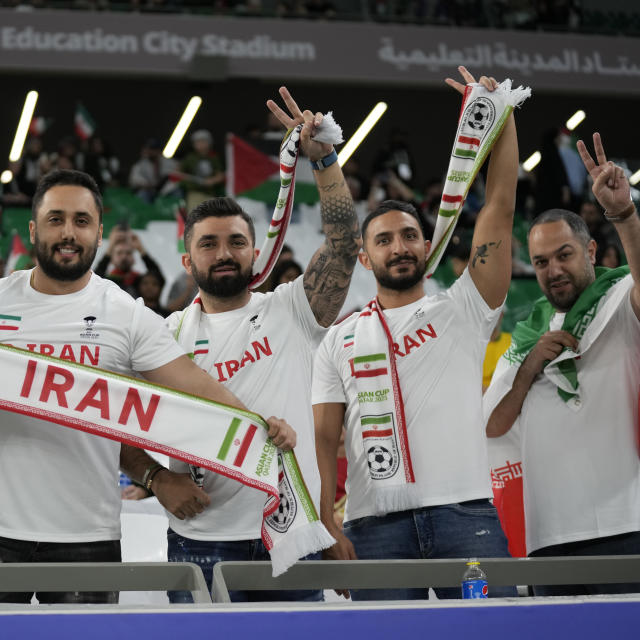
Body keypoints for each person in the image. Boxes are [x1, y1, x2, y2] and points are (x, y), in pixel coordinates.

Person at [0, 169, 296, 605]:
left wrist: (258, 426)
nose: (68, 233)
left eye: (82, 221)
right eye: (56, 219)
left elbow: (193, 384)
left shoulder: (126, 313)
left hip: (90, 538)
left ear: (99, 232)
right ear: (33, 228)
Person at [125, 87, 360, 602]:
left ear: (256, 252)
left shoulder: (291, 308)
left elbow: (344, 247)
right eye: (207, 244)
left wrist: (325, 161)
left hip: (291, 535)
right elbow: (106, 414)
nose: (224, 253)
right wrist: (156, 479)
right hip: (198, 543)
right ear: (187, 262)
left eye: (236, 242)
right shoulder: (163, 336)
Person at [312, 69, 518, 600]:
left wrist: (501, 116)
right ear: (364, 255)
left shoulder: (464, 309)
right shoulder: (339, 338)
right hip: (373, 528)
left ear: (427, 248)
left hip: (465, 516)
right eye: (384, 240)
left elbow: (499, 207)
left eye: (410, 236)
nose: (399, 246)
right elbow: (323, 437)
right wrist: (325, 520)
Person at [484, 133, 640, 595]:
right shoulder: (526, 334)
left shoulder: (619, 300)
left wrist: (623, 214)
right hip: (547, 534)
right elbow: (493, 424)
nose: (553, 269)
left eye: (565, 255)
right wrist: (530, 368)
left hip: (624, 522)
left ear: (591, 252)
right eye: (541, 261)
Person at [94, 225, 163, 297]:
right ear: (112, 259)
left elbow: (158, 278)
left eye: (128, 253)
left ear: (134, 259)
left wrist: (141, 250)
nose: (124, 257)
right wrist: (110, 247)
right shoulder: (106, 281)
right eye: (119, 253)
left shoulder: (139, 281)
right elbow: (94, 281)